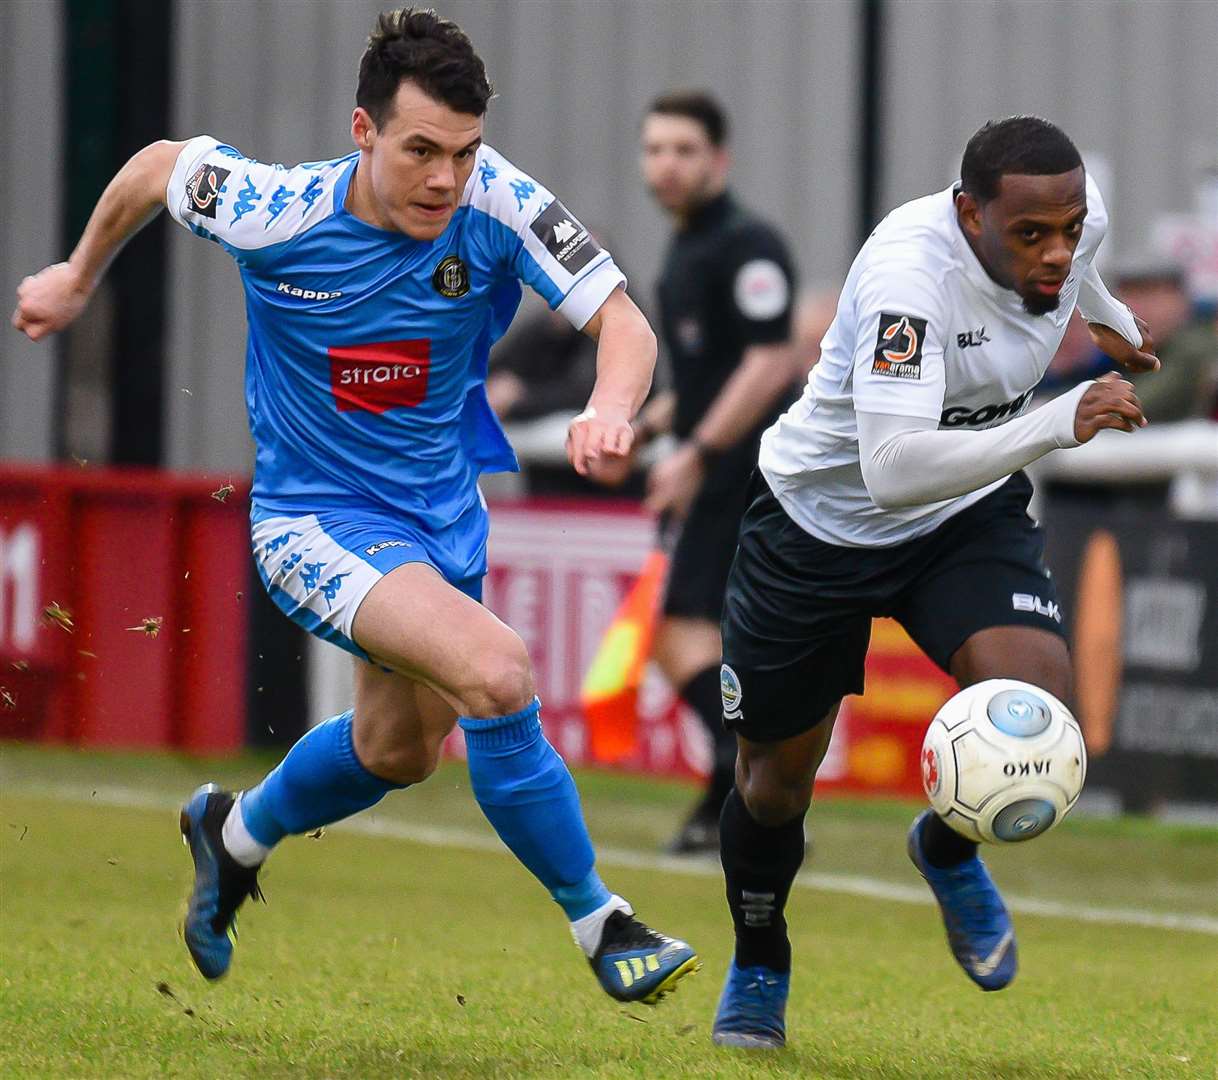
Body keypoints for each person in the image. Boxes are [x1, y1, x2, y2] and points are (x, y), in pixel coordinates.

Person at [11, 7, 698, 1006]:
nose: (443, 180)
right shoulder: (273, 208)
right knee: (499, 673)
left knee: (397, 751)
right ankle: (604, 923)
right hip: (312, 520)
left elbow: (621, 322)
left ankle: (232, 834)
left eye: (462, 155)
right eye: (420, 150)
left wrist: (609, 406)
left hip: (440, 523)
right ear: (363, 131)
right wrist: (77, 277)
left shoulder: (497, 201)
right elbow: (160, 165)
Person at [709, 116, 1158, 1049]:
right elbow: (894, 470)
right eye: (1029, 235)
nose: (1056, 251)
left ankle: (947, 845)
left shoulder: (1074, 221)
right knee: (772, 787)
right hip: (818, 526)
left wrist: (1105, 315)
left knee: (1037, 707)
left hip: (961, 516)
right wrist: (1057, 418)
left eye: (1069, 231)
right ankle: (759, 957)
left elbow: (1081, 265)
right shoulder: (907, 288)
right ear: (967, 215)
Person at [628, 90, 801, 855]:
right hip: (723, 457)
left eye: (683, 150)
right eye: (655, 149)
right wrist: (642, 425)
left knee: (682, 634)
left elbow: (770, 362)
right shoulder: (689, 244)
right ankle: (735, 789)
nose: (666, 165)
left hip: (752, 465)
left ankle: (745, 773)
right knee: (709, 637)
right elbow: (710, 372)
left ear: (718, 160)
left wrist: (697, 453)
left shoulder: (747, 243)